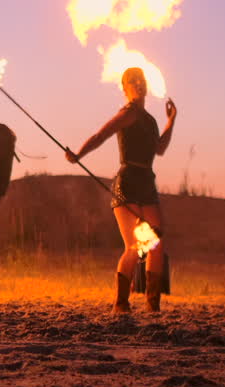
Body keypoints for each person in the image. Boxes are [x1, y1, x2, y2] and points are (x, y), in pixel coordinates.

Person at [67, 67, 176, 313]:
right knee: (135, 246)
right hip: (128, 182)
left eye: (141, 80)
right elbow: (102, 134)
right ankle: (121, 304)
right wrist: (78, 155)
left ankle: (152, 305)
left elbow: (159, 148)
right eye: (132, 81)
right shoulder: (129, 113)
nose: (138, 83)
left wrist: (171, 121)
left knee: (156, 243)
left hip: (146, 181)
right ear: (125, 88)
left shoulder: (149, 120)